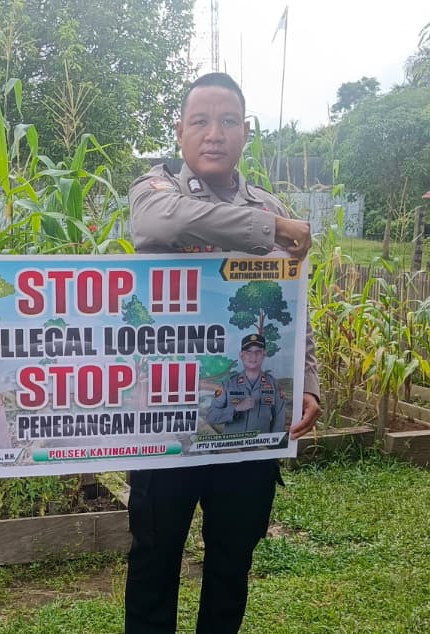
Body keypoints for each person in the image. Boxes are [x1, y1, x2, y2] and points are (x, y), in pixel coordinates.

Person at [125, 72, 323, 633]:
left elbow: (294, 304)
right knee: (153, 559)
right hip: (165, 419)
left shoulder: (269, 205)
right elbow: (160, 221)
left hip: (245, 427)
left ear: (245, 132)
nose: (214, 133)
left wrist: (308, 382)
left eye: (228, 121)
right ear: (180, 131)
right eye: (201, 121)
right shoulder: (156, 189)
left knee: (232, 562)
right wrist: (269, 227)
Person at [205, 334, 288, 435]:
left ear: (264, 354)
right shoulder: (227, 384)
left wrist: (273, 442)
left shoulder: (274, 385)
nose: (253, 356)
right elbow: (211, 417)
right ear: (241, 355)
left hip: (261, 444)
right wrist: (236, 409)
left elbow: (279, 419)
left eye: (258, 351)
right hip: (233, 444)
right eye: (248, 351)